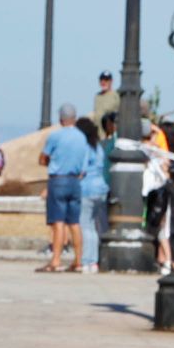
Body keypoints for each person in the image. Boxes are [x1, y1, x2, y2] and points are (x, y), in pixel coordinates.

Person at [37, 104, 86, 271]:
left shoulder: (55, 136)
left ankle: (56, 260)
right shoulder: (82, 137)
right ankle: (78, 260)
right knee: (74, 222)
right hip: (75, 181)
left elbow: (43, 158)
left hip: (58, 180)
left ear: (60, 119)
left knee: (58, 222)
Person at [75, 116, 106, 273]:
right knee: (94, 226)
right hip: (100, 188)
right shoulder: (98, 147)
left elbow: (82, 169)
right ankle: (94, 261)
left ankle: (87, 260)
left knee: (85, 225)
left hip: (86, 188)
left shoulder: (84, 147)